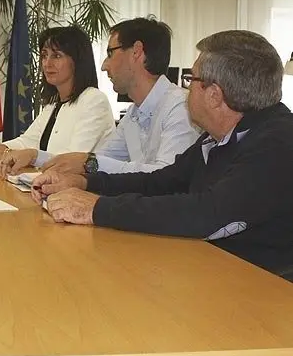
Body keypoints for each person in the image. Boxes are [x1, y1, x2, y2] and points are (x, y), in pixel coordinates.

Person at [31, 30, 293, 275]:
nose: (186, 89)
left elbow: (208, 214)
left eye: (191, 80)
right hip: (213, 271)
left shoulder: (278, 142)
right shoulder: (217, 137)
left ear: (214, 95)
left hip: (263, 291)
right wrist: (87, 182)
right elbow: (161, 182)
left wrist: (98, 209)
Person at [41, 17, 199, 175]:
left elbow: (166, 177)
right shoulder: (132, 114)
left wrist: (89, 163)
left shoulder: (182, 107)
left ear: (136, 52)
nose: (104, 66)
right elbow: (99, 160)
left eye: (110, 53)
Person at [0, 26, 115, 177]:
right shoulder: (54, 103)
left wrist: (23, 154)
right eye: (44, 55)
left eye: (56, 56)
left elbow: (70, 160)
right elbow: (28, 141)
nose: (47, 63)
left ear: (77, 60)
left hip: (82, 191)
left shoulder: (94, 101)